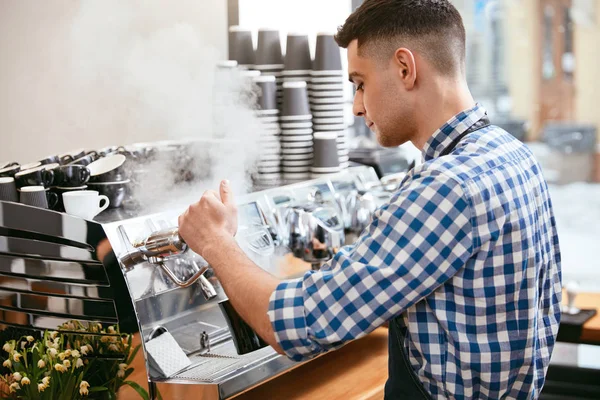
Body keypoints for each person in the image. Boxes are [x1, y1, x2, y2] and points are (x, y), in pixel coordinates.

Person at [178, 0, 562, 398]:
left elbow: (296, 323)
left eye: (360, 83)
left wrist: (215, 242)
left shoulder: (446, 187)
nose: (357, 106)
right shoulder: (511, 154)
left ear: (404, 68)